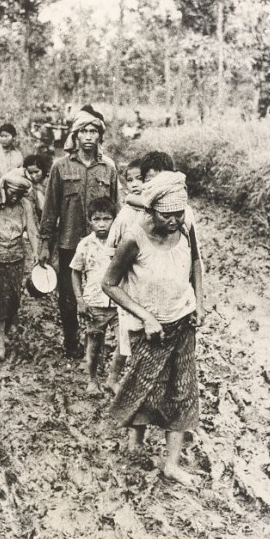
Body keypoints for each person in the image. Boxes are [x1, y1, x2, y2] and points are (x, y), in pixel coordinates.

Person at [102, 171, 204, 485]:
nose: (174, 220)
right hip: (148, 329)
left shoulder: (186, 226)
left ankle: (171, 465)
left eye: (178, 213)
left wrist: (199, 301)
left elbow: (196, 263)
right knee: (143, 385)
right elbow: (109, 284)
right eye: (166, 215)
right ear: (150, 210)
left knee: (183, 392)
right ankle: (136, 442)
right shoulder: (134, 237)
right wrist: (145, 315)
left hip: (182, 321)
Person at [39, 105, 119, 359]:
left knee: (99, 291)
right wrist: (44, 243)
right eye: (83, 131)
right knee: (69, 296)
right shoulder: (60, 167)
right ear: (75, 135)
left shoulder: (108, 168)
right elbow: (50, 208)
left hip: (101, 244)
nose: (88, 136)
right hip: (69, 241)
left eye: (93, 131)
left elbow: (117, 207)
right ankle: (71, 341)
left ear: (99, 136)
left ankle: (93, 342)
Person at [0, 168, 40, 361]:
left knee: (14, 298)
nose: (15, 197)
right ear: (4, 189)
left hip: (16, 257)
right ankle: (0, 346)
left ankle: (7, 330)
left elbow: (32, 231)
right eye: (12, 193)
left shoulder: (25, 205)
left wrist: (36, 253)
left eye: (19, 194)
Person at [70, 197, 119, 394]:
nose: (101, 224)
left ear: (114, 220)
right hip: (95, 302)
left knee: (124, 343)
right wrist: (80, 300)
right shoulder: (85, 244)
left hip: (118, 303)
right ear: (89, 220)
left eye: (106, 219)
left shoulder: (120, 242)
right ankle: (92, 380)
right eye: (96, 219)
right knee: (94, 344)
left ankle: (113, 378)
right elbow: (75, 271)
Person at [105, 158, 144, 390]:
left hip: (147, 283)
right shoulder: (125, 216)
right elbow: (110, 249)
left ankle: (137, 379)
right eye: (130, 180)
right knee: (127, 334)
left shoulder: (154, 211)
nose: (135, 184)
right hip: (128, 284)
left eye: (140, 179)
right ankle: (113, 378)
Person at [23, 153, 50, 223]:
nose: (33, 176)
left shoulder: (51, 181)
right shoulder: (28, 184)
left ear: (43, 169)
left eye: (36, 172)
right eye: (30, 173)